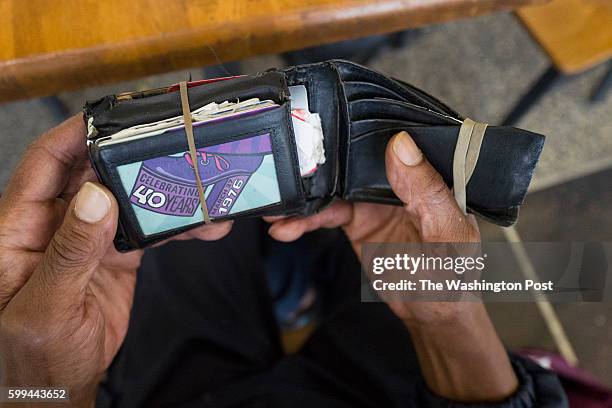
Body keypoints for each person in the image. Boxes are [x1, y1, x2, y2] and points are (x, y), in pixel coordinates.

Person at [0, 115, 567, 407]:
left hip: (172, 390)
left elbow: (33, 390)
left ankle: (290, 278)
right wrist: (446, 316)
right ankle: (296, 275)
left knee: (172, 242)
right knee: (351, 211)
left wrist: (39, 390)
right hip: (376, 391)